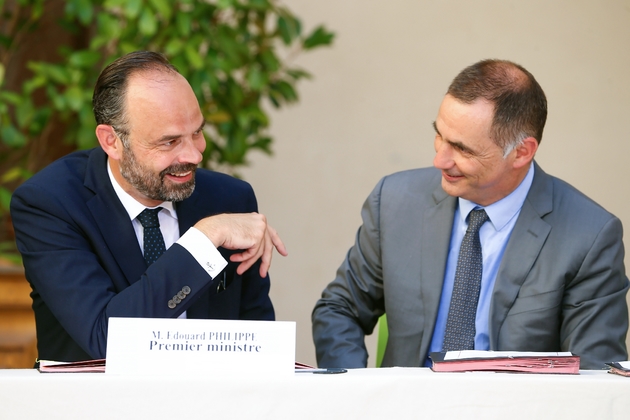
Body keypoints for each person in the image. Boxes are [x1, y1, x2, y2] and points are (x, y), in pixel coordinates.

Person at [312, 59, 629, 370]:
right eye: (439, 135)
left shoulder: (589, 236)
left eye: (463, 149)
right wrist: (358, 399)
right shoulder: (396, 202)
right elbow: (340, 310)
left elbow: (595, 372)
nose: (440, 160)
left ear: (522, 151)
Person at [10, 51, 287, 362]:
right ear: (111, 141)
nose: (194, 155)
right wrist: (204, 240)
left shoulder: (229, 199)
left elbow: (257, 343)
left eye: (197, 132)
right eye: (169, 142)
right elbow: (107, 340)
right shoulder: (51, 204)